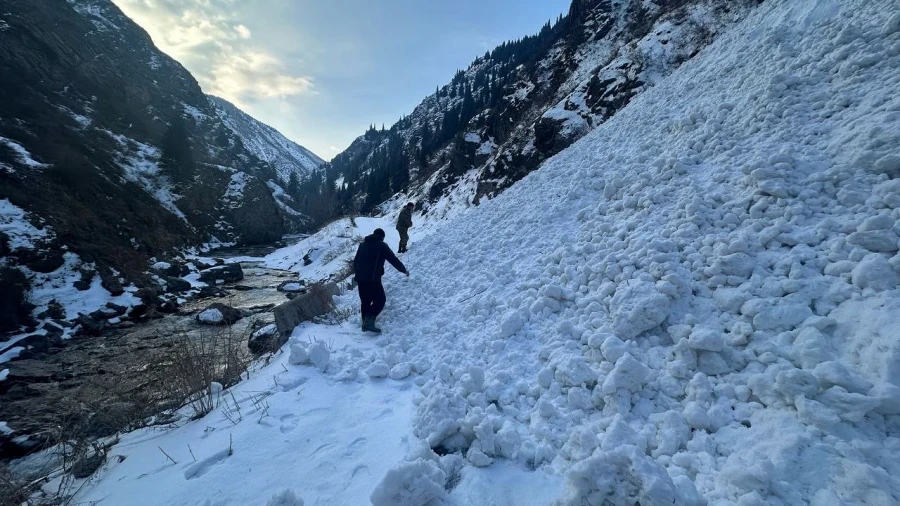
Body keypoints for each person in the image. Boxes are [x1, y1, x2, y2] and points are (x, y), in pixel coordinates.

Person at [353, 228, 409, 333]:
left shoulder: (362, 245)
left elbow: (356, 262)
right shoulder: (381, 245)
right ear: (382, 237)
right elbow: (393, 260)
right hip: (373, 279)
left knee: (365, 301)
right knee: (380, 300)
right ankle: (369, 322)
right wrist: (404, 270)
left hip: (360, 278)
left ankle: (365, 323)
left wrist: (358, 273)